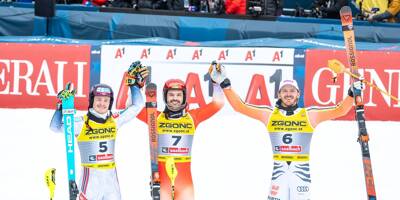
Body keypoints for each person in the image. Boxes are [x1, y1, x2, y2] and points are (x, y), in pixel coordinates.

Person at [208, 63, 363, 200]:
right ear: (279, 94)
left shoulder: (309, 115)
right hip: (279, 174)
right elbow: (240, 107)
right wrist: (224, 83)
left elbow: (340, 110)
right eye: (284, 91)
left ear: (298, 94)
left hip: (301, 173)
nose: (288, 94)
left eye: (292, 91)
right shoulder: (269, 114)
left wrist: (351, 93)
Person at [49, 61, 148, 200]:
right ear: (92, 101)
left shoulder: (114, 119)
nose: (102, 103)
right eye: (98, 99)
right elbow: (55, 127)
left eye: (106, 100)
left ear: (110, 103)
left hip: (111, 181)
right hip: (90, 180)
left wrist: (134, 85)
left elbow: (137, 105)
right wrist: (60, 107)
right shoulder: (81, 123)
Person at [136, 64, 224, 200]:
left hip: (185, 185)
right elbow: (133, 109)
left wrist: (216, 83)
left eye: (178, 95)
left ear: (184, 97)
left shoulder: (193, 117)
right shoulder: (154, 117)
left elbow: (218, 104)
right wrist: (136, 86)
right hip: (162, 183)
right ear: (165, 97)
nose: (175, 98)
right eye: (171, 95)